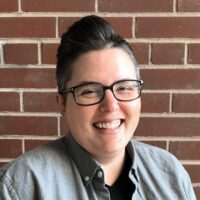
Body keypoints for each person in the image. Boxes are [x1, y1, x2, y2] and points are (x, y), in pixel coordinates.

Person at [0, 15, 196, 200]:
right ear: (62, 104)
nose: (111, 105)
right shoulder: (21, 186)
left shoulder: (170, 174)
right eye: (89, 91)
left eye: (124, 87)